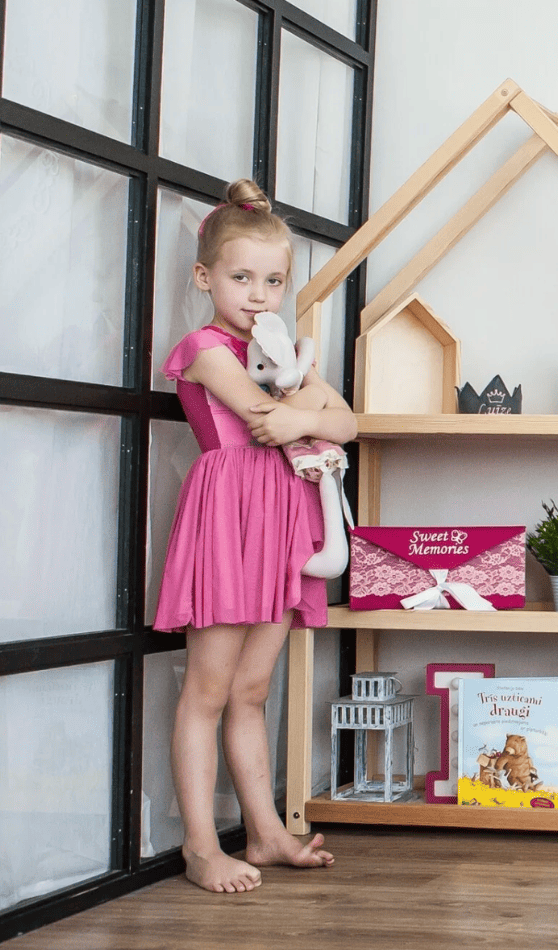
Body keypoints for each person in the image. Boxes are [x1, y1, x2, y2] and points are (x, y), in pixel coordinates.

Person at [154, 179, 358, 893]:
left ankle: (266, 832)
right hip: (229, 519)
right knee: (206, 691)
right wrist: (308, 407)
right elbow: (267, 418)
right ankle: (202, 848)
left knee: (252, 688)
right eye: (242, 278)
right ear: (206, 277)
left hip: (280, 522)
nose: (258, 294)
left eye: (273, 281)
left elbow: (349, 424)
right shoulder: (207, 348)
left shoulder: (280, 352)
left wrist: (310, 409)